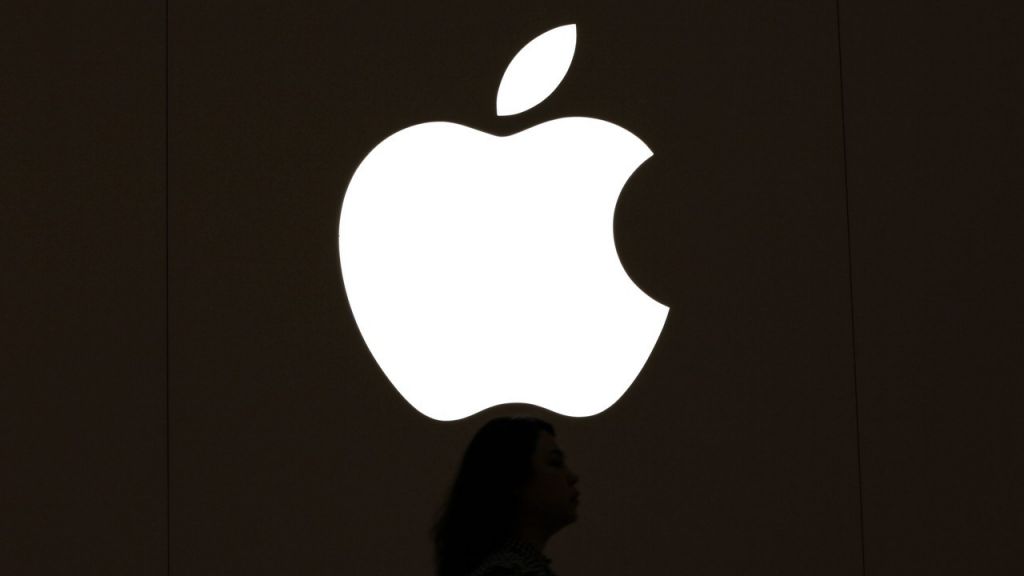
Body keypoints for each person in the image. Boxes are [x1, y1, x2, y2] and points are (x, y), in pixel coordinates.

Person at [431, 415, 581, 576]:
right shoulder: (507, 570)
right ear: (514, 479)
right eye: (555, 462)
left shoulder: (518, 567)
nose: (572, 476)